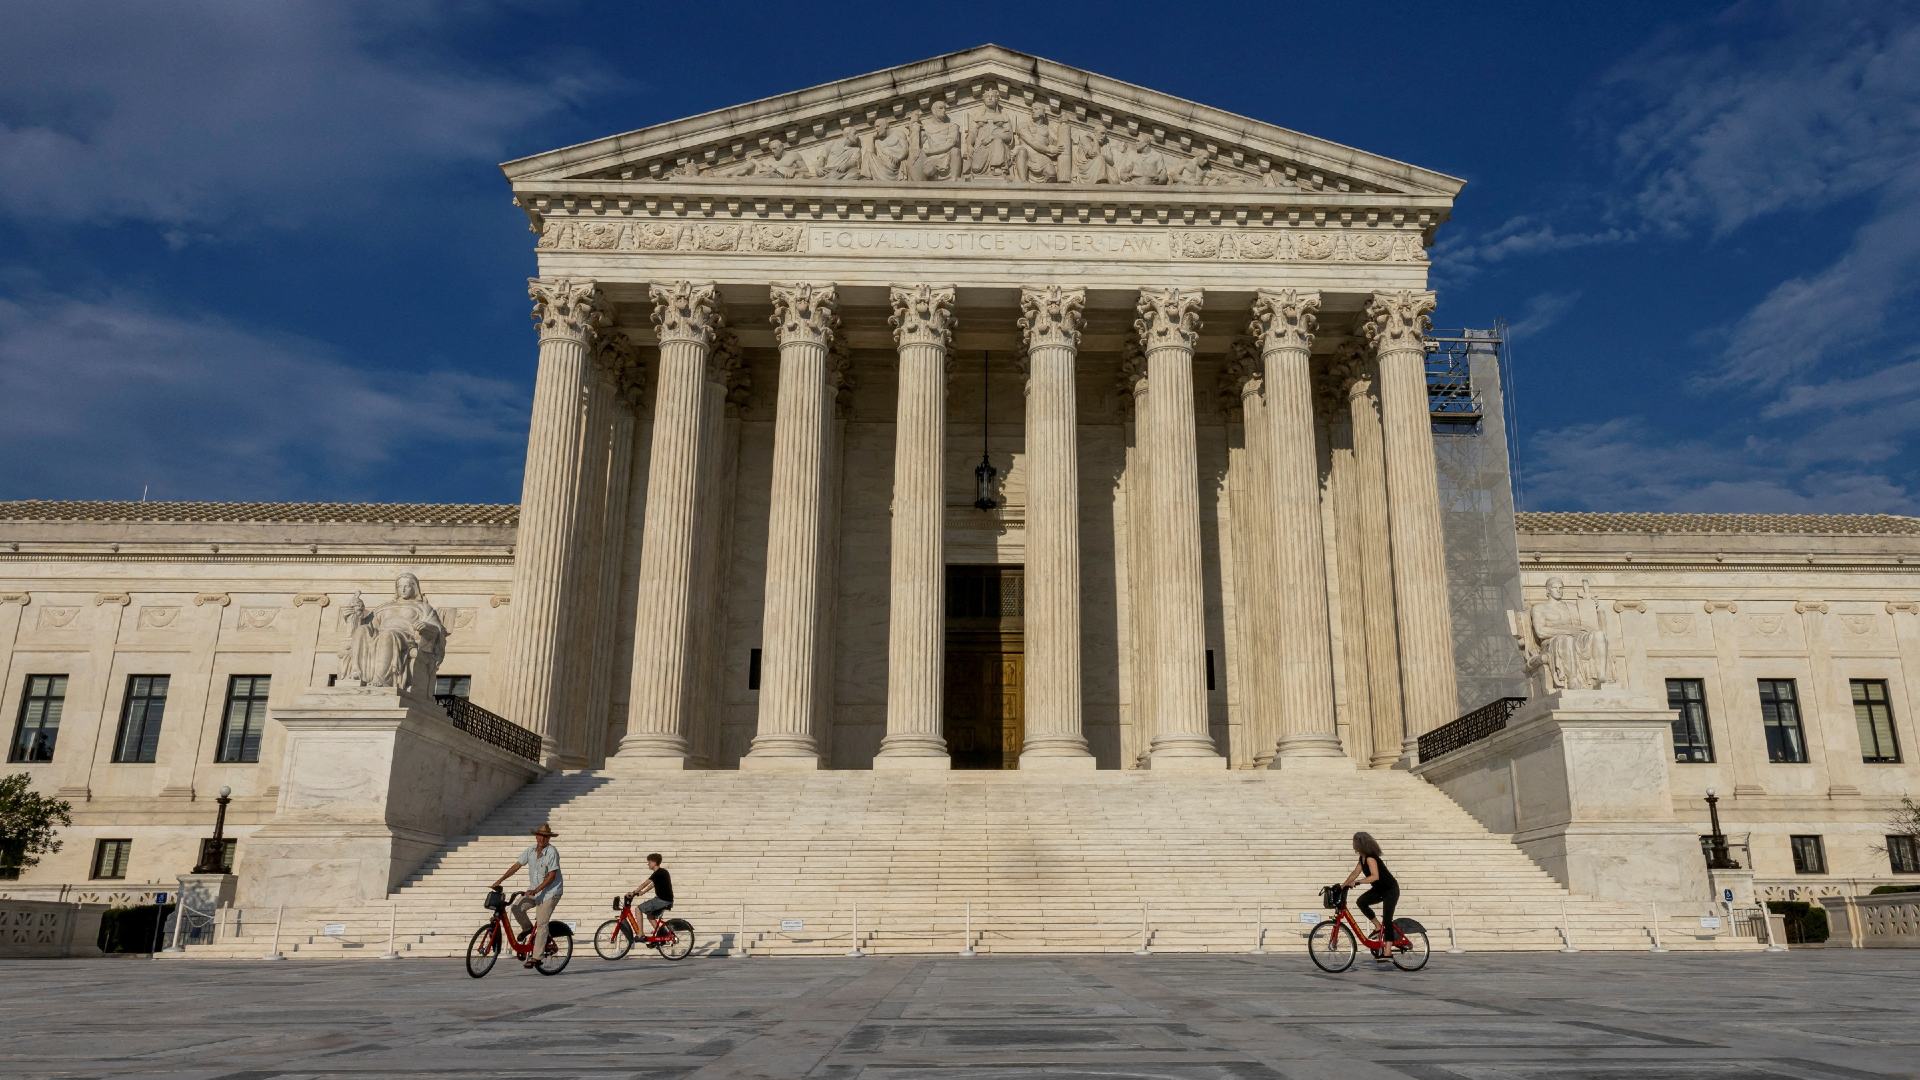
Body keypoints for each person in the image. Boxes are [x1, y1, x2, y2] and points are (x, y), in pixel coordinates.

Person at [493, 823, 564, 968]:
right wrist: (500, 880)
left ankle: (537, 957)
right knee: (516, 908)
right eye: (540, 836)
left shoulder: (552, 852)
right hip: (534, 890)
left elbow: (551, 876)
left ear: (549, 838)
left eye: (545, 837)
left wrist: (536, 890)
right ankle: (528, 929)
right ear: (536, 836)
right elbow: (517, 865)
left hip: (551, 892)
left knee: (542, 922)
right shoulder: (530, 850)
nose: (542, 839)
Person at [1342, 831, 1399, 961]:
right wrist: (1343, 885)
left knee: (1388, 919)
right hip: (1379, 890)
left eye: (1354, 842)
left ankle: (1388, 951)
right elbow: (1355, 872)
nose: (1353, 844)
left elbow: (1375, 876)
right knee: (1361, 901)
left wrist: (1358, 882)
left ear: (1359, 844)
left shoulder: (1370, 858)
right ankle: (1378, 926)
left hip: (1390, 890)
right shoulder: (1362, 858)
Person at [625, 853, 674, 931]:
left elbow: (645, 884)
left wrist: (633, 893)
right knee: (650, 915)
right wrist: (642, 892)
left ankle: (640, 934)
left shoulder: (658, 873)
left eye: (649, 862)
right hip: (665, 900)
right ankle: (660, 933)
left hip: (662, 900)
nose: (648, 864)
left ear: (654, 863)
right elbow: (652, 885)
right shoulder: (662, 872)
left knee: (638, 909)